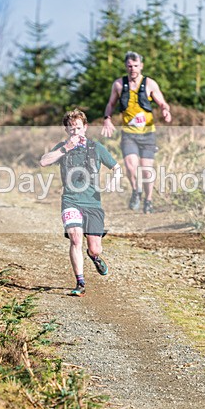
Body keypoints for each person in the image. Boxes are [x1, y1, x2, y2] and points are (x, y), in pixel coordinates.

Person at [40, 109, 121, 296]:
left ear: (85, 128)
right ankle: (80, 282)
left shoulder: (96, 148)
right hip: (70, 200)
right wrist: (65, 148)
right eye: (71, 129)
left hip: (92, 203)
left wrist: (114, 180)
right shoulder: (62, 147)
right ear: (66, 130)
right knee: (75, 238)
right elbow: (43, 162)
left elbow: (117, 168)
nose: (75, 132)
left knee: (95, 248)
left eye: (78, 128)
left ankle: (94, 256)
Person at [101, 51, 171, 214]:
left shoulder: (150, 84)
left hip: (147, 134)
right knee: (131, 166)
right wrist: (107, 118)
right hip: (128, 134)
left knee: (146, 170)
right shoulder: (119, 84)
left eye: (136, 66)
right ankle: (136, 191)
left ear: (141, 66)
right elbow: (111, 104)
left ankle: (149, 200)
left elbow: (162, 102)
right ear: (126, 66)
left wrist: (165, 111)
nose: (133, 69)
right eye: (130, 66)